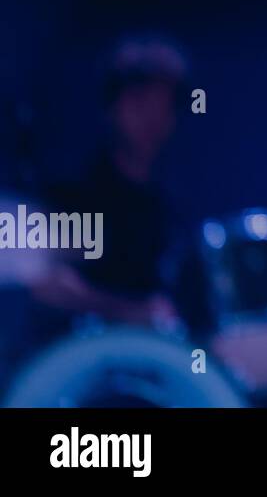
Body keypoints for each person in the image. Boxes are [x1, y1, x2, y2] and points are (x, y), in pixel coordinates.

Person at [30, 37, 188, 335]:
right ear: (111, 108)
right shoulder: (73, 198)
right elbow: (48, 287)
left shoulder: (167, 210)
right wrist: (131, 312)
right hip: (88, 366)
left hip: (154, 367)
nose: (152, 118)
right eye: (140, 103)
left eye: (164, 106)